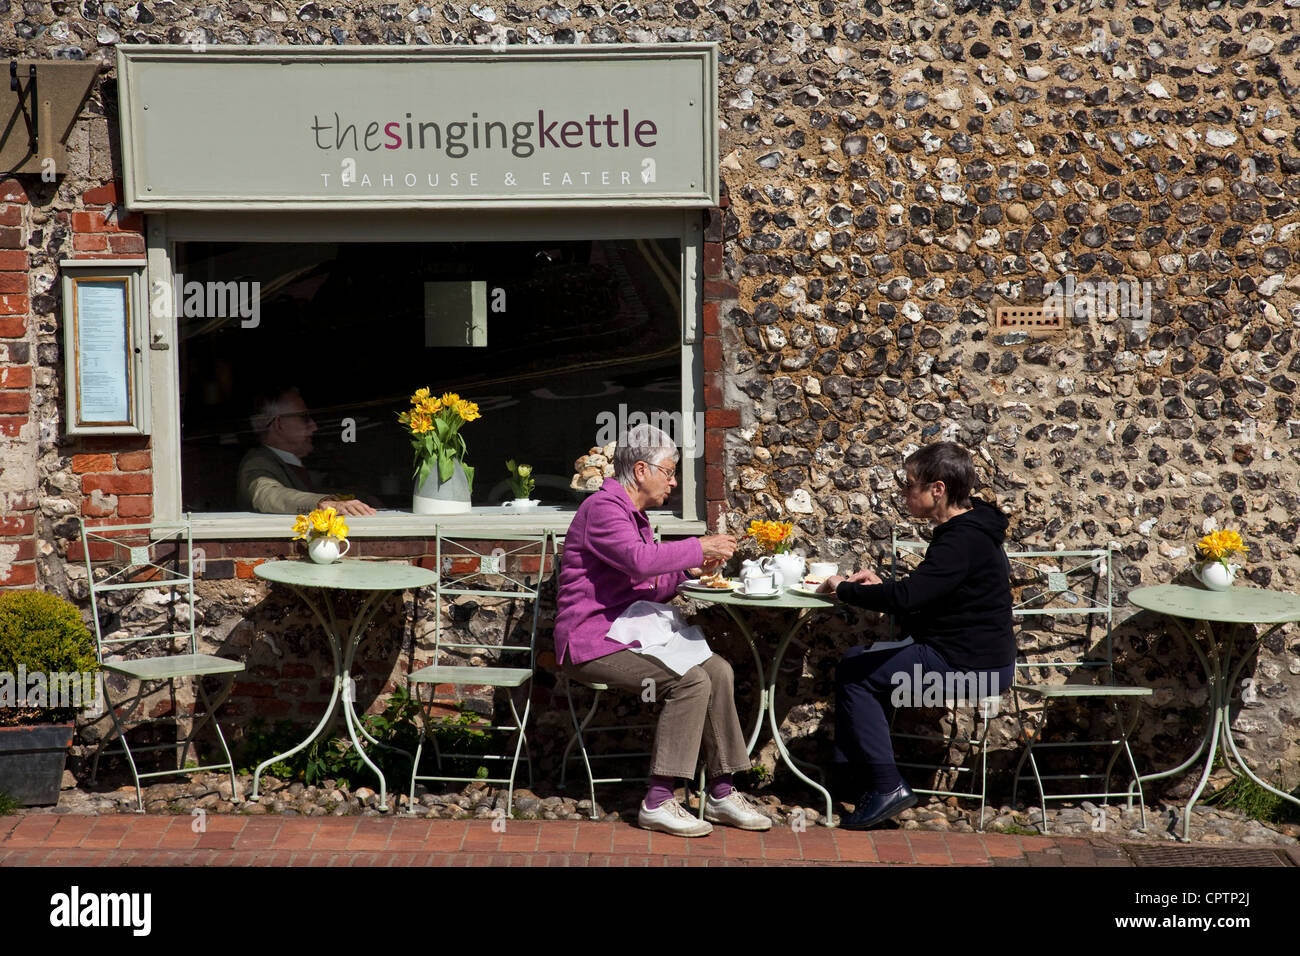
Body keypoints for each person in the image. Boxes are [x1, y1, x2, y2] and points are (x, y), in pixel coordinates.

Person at [555, 424, 771, 836]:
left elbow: (646, 581)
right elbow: (639, 562)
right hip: (592, 640)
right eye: (669, 472)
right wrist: (699, 546)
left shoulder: (631, 515)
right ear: (640, 470)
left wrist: (689, 570)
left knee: (718, 670)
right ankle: (658, 800)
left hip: (627, 628)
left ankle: (722, 793)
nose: (673, 481)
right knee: (688, 682)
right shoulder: (602, 509)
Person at [818, 441, 1015, 830]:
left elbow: (909, 598)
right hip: (975, 657)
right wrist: (883, 585)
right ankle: (857, 782)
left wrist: (844, 589)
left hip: (971, 667)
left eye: (910, 485)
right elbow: (932, 591)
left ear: (937, 490)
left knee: (857, 674)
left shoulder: (961, 538)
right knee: (858, 661)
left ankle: (884, 787)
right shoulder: (972, 528)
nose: (904, 494)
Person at [236, 386, 376, 516]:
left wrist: (362, 497)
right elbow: (268, 495)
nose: (314, 427)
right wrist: (322, 503)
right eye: (304, 418)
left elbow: (306, 492)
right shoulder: (257, 462)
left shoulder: (286, 462)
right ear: (279, 424)